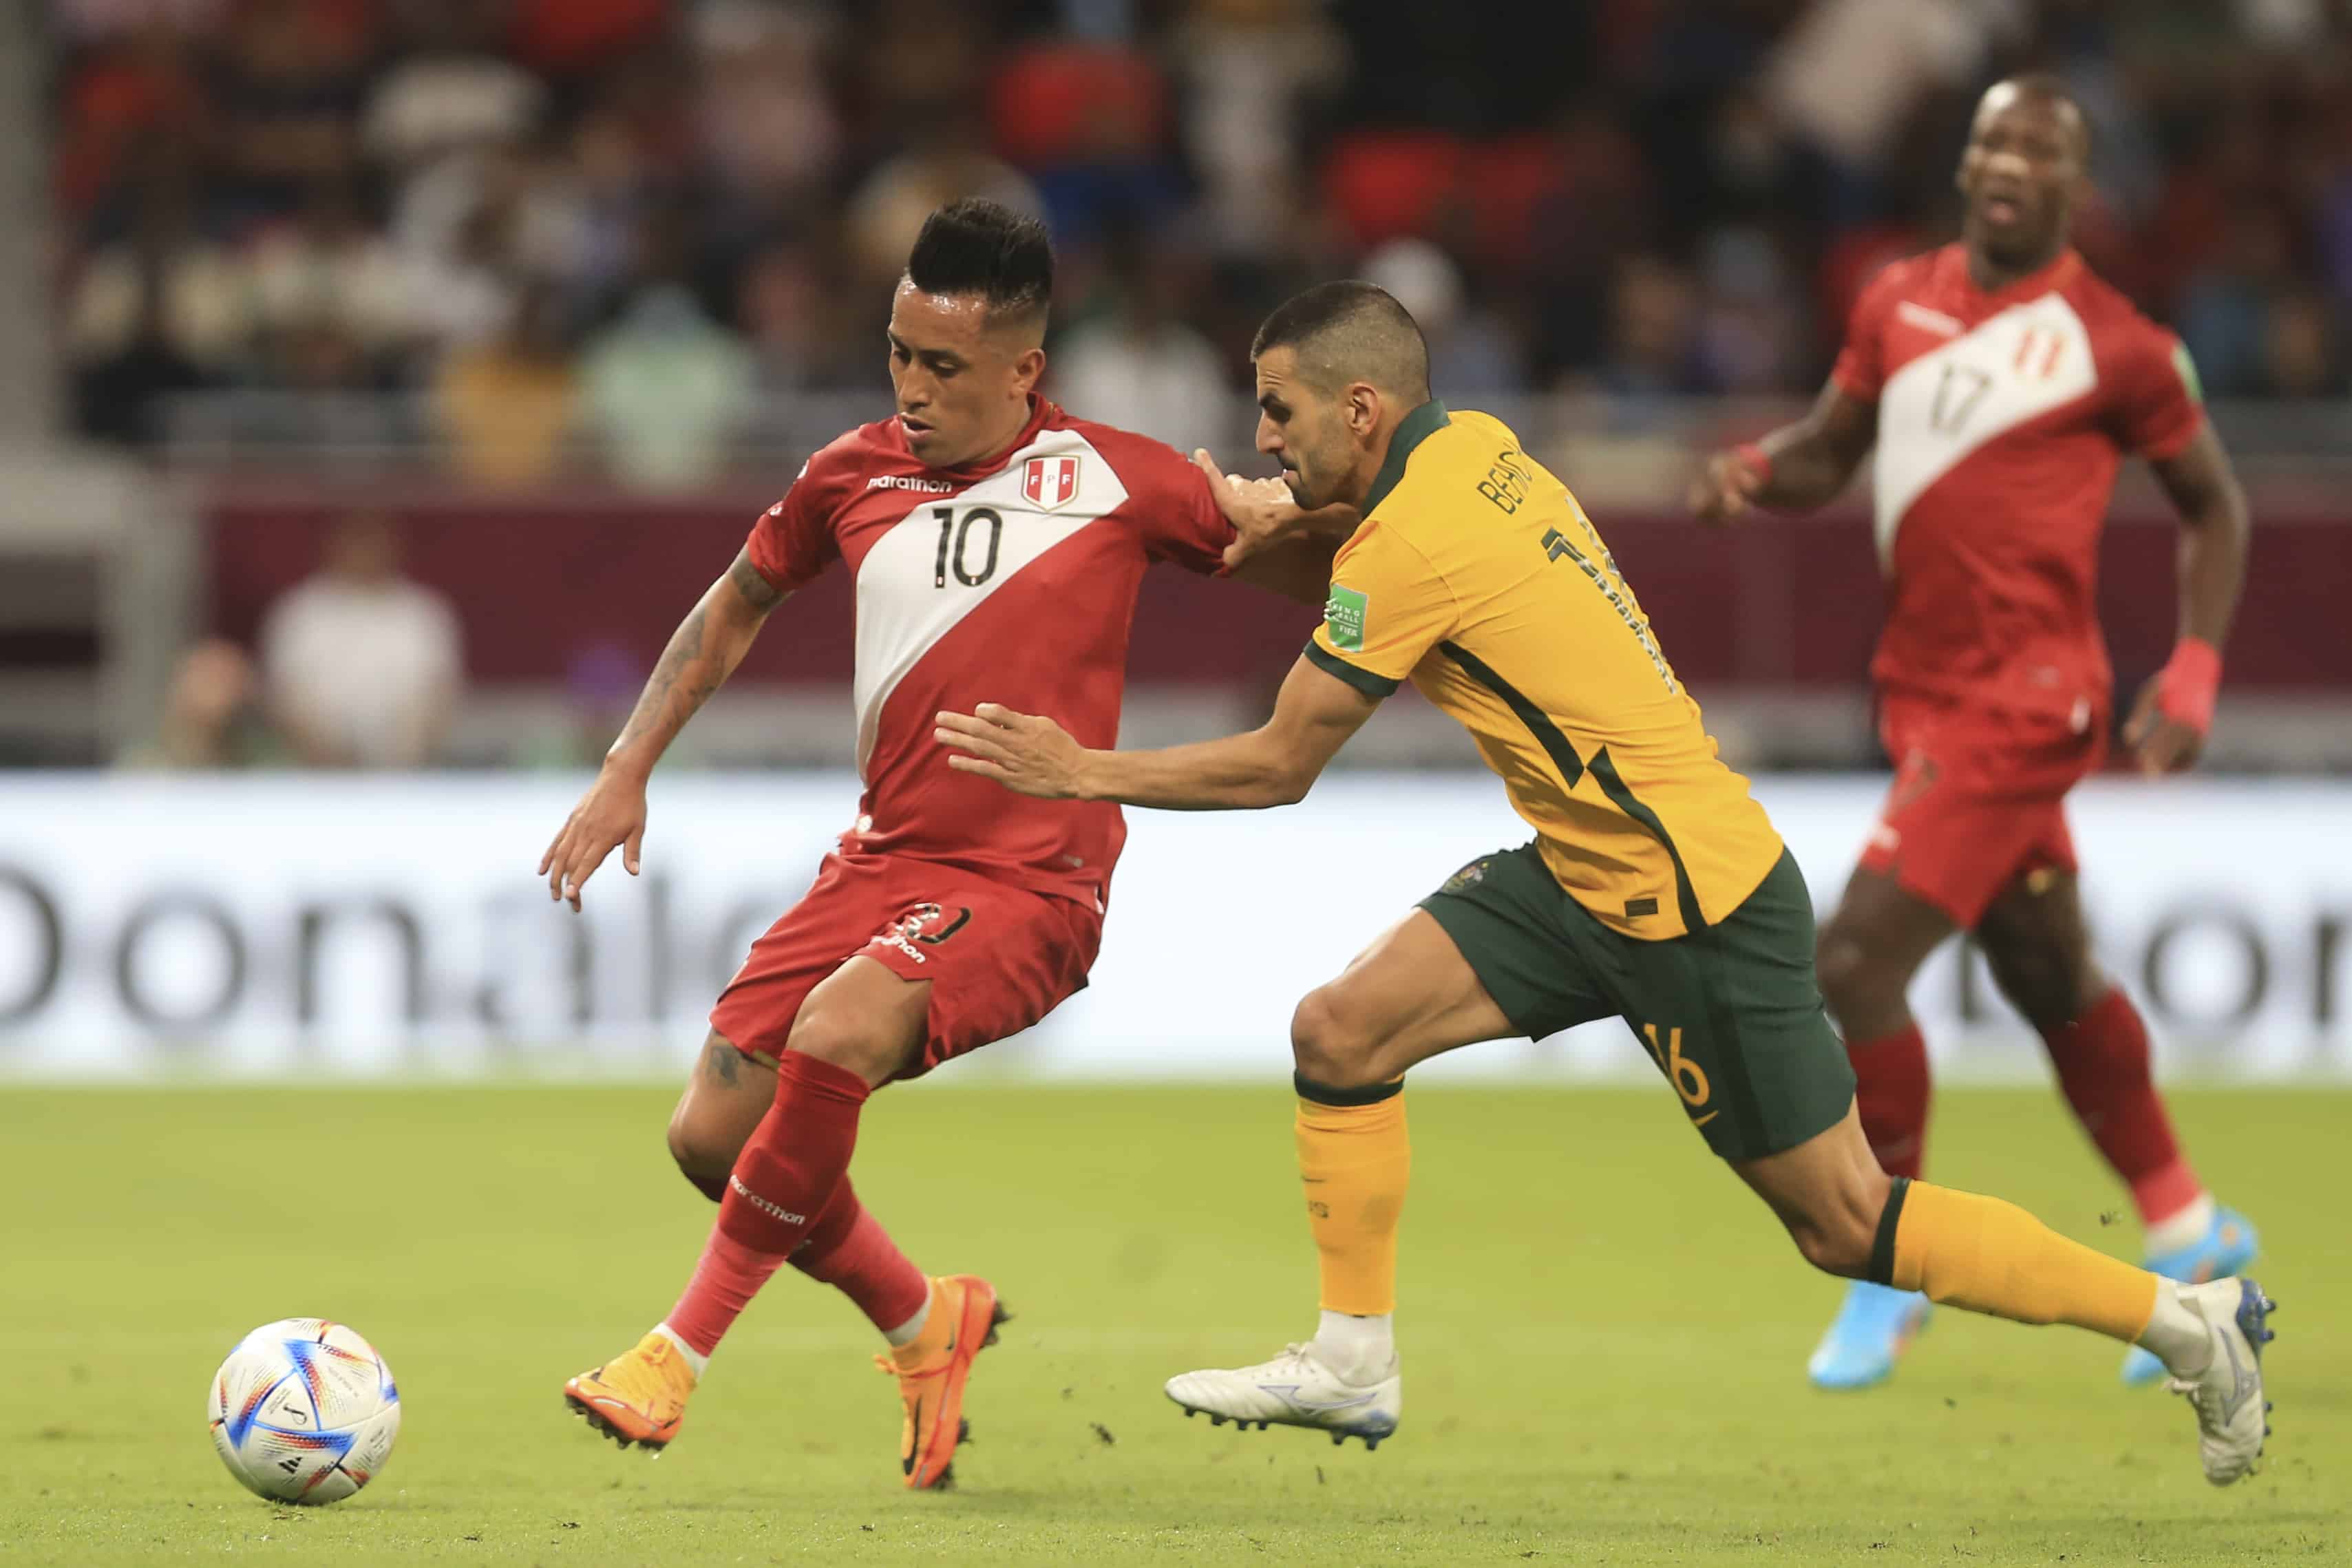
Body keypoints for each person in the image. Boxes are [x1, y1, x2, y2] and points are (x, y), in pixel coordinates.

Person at [935, 280, 2275, 1487]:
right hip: (1585, 871)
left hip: (1690, 899)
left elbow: (1283, 760)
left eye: (1278, 412)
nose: (1268, 437)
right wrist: (1247, 517)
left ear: (1359, 403)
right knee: (1338, 1030)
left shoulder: (1417, 541)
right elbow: (1339, 541)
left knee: (1843, 1221)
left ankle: (2182, 1321)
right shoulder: (1469, 451)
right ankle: (1353, 1356)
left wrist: (1080, 768)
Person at [539, 199, 1337, 1490]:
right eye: (899, 354)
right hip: (883, 861)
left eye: (944, 365)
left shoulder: (1125, 479)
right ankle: (926, 1320)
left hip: (1031, 883)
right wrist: (628, 765)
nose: (912, 388)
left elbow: (1322, 583)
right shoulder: (849, 475)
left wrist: (1298, 518)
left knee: (837, 1035)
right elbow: (737, 601)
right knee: (710, 1137)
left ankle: (676, 1350)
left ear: (1026, 369)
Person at [1688, 76, 2257, 1392]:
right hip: (1926, 696)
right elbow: (1837, 446)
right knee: (2051, 973)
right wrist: (1762, 470)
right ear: (1965, 164)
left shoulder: (2115, 342)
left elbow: (2214, 506)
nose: (2005, 161)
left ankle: (1892, 1259)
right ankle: (2192, 1227)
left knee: (1849, 959)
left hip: (2025, 703)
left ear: (2075, 182)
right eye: (1990, 139)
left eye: (2036, 148)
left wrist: (2195, 670)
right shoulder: (1896, 299)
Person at [259, 511, 463, 768]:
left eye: (373, 542)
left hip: (406, 770)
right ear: (334, 546)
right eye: (356, 542)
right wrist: (327, 757)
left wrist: (402, 758)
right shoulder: (299, 613)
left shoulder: (424, 614)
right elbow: (285, 696)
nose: (365, 552)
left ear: (393, 546)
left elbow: (440, 696)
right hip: (315, 771)